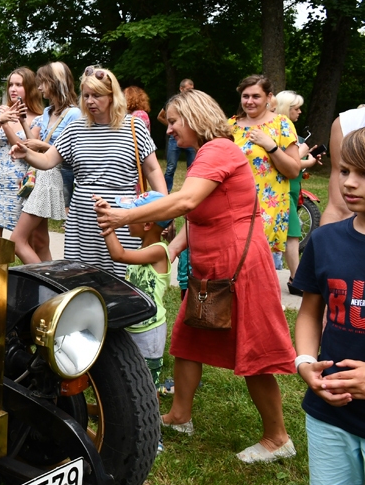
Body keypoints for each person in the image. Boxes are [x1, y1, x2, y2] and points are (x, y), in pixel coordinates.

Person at [95, 89, 296, 463]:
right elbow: (198, 212)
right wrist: (172, 249)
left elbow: (186, 202)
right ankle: (179, 416)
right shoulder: (206, 153)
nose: (169, 130)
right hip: (214, 268)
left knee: (254, 351)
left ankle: (277, 438)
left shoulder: (217, 150)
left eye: (174, 122)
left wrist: (124, 216)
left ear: (195, 118)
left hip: (240, 269)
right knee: (188, 342)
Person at [11, 65, 166, 277]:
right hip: (82, 219)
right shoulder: (76, 128)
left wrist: (164, 208)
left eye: (97, 95)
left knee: (121, 278)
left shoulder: (134, 126)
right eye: (86, 96)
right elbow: (47, 160)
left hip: (122, 217)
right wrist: (26, 153)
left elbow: (153, 169)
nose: (90, 101)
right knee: (82, 278)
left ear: (111, 96)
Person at [293, 127, 365, 485]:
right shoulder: (324, 240)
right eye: (344, 170)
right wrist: (305, 362)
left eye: (363, 173)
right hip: (330, 413)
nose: (350, 183)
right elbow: (309, 311)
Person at [98, 191, 171, 401]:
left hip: (150, 331)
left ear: (147, 224)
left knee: (146, 387)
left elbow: (118, 255)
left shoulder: (159, 251)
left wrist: (107, 223)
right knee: (128, 377)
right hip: (133, 326)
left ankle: (150, 416)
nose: (126, 220)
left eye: (131, 216)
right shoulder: (142, 248)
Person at [9, 62, 81, 263]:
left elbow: (73, 154)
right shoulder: (48, 112)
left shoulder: (74, 114)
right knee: (39, 241)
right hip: (40, 175)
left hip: (52, 178)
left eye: (43, 82)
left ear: (56, 83)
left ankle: (41, 278)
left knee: (17, 241)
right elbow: (34, 145)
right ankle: (49, 278)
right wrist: (23, 121)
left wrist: (40, 144)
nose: (39, 87)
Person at [228, 74, 300, 259]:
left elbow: (293, 170)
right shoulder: (231, 126)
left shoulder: (281, 124)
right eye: (245, 96)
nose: (249, 101)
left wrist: (271, 146)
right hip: (232, 205)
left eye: (256, 96)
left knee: (254, 260)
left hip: (266, 208)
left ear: (268, 97)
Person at [0, 68, 43, 237]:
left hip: (21, 187)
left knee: (21, 243)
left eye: (19, 85)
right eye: (11, 85)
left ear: (30, 88)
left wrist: (6, 125)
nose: (13, 89)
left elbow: (27, 150)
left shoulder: (38, 118)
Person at [273, 91, 322, 293]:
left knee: (292, 233)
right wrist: (305, 157)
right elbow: (284, 163)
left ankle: (296, 278)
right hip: (282, 189)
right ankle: (296, 279)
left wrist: (307, 159)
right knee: (293, 232)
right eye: (296, 108)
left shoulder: (288, 129)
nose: (300, 112)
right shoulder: (279, 128)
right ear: (287, 109)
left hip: (292, 189)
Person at [322, 106, 365, 225]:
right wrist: (327, 235)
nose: (348, 183)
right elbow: (338, 209)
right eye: (345, 172)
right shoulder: (349, 122)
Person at [157, 78, 197, 193]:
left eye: (192, 90)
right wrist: (173, 127)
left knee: (193, 167)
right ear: (181, 89)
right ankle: (165, 192)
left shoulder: (193, 104)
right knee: (171, 167)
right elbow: (160, 116)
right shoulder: (173, 103)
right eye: (188, 89)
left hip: (190, 138)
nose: (190, 92)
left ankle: (191, 192)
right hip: (175, 139)